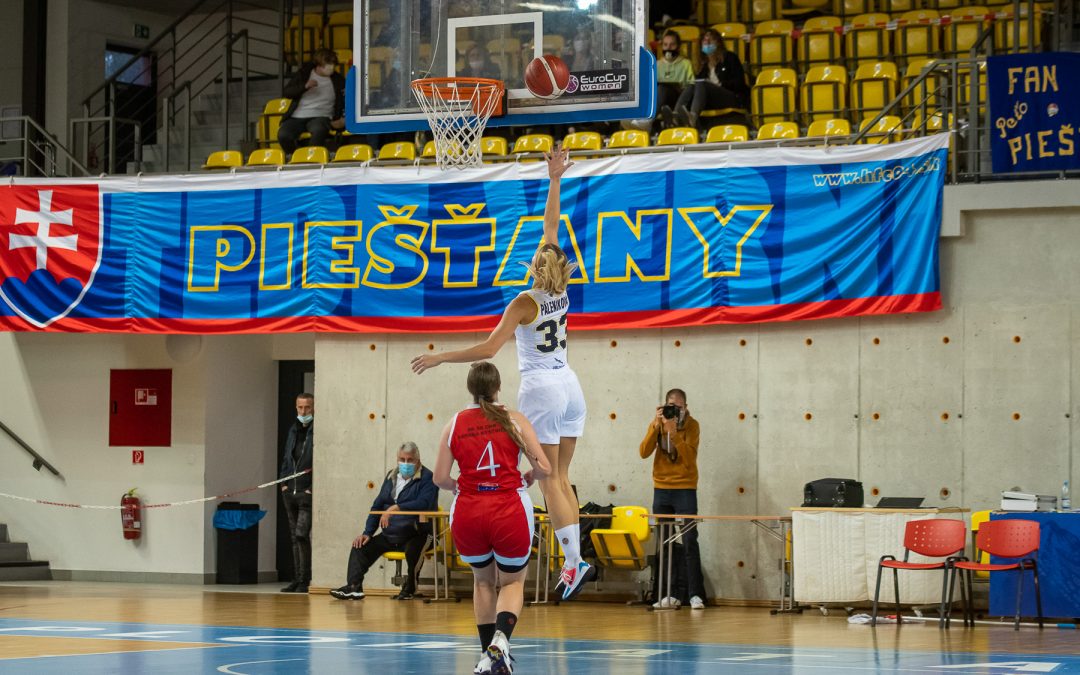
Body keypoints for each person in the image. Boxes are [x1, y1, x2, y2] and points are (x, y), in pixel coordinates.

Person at [411, 147, 594, 602]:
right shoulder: (560, 290)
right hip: (571, 385)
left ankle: (572, 562)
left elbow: (490, 348)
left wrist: (440, 357)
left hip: (543, 387)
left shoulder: (523, 302)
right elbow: (552, 226)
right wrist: (555, 179)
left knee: (547, 476)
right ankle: (576, 558)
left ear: (534, 266)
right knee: (563, 476)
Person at [433, 361, 551, 675]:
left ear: (470, 388)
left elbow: (440, 478)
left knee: (483, 582)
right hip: (509, 508)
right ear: (498, 387)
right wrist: (529, 475)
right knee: (512, 582)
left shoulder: (454, 423)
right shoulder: (514, 419)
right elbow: (546, 468)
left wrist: (461, 485)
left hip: (469, 510)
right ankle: (501, 639)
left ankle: (488, 655)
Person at [330, 442, 438, 601]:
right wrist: (367, 533)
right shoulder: (390, 476)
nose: (405, 463)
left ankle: (410, 587)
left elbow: (424, 503)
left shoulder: (429, 478)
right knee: (360, 546)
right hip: (391, 534)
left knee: (413, 550)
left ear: (418, 460)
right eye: (402, 459)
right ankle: (354, 587)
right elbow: (377, 506)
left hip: (419, 533)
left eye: (410, 460)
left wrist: (396, 508)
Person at [638, 388, 706, 610]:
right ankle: (667, 593)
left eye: (677, 407)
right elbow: (643, 452)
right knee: (664, 543)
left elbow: (689, 459)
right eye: (669, 406)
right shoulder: (659, 423)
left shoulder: (692, 426)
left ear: (685, 407)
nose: (673, 411)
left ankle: (695, 594)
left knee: (689, 541)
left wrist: (674, 432)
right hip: (662, 488)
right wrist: (656, 426)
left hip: (685, 488)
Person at [665, 28, 749, 130]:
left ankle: (693, 117)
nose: (707, 43)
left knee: (702, 83)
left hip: (731, 97)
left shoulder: (730, 58)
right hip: (712, 101)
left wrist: (719, 85)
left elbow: (739, 83)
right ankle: (676, 115)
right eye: (705, 41)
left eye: (711, 40)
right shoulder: (703, 66)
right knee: (693, 84)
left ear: (718, 43)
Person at [278, 48, 346, 155]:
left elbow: (345, 100)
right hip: (298, 115)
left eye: (333, 64)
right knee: (283, 134)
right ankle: (296, 157)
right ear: (318, 65)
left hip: (322, 115)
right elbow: (287, 92)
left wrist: (342, 118)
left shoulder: (338, 80)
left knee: (319, 130)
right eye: (327, 65)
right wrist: (305, 86)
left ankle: (312, 158)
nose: (331, 68)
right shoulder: (304, 74)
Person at [279, 392, 314, 593]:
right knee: (294, 536)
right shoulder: (293, 430)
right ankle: (296, 578)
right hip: (289, 490)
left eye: (307, 407)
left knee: (302, 534)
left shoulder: (315, 431)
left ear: (313, 408)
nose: (303, 411)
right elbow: (286, 457)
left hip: (306, 492)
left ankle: (305, 580)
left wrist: (311, 488)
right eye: (300, 408)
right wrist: (283, 483)